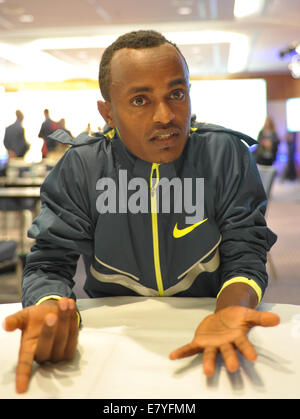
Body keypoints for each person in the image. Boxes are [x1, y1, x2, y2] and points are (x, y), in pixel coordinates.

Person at [3, 30, 280, 394]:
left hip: (210, 328)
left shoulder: (224, 154)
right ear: (108, 112)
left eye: (176, 94)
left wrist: (231, 308)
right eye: (139, 100)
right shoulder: (82, 166)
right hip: (110, 343)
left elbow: (245, 252)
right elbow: (50, 262)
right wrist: (50, 307)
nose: (165, 115)